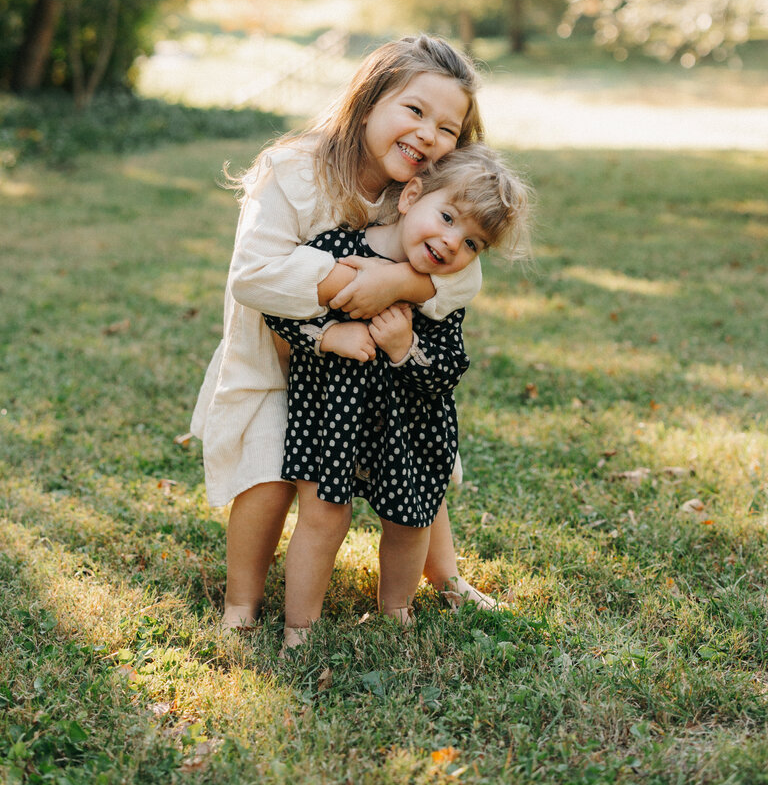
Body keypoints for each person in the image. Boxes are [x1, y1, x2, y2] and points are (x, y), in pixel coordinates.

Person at [190, 35, 498, 630]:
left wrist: (398, 284)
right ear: (367, 102)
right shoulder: (294, 172)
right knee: (268, 475)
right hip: (279, 361)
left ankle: (448, 576)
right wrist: (342, 279)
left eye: (448, 128)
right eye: (414, 110)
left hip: (368, 376)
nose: (428, 135)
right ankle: (239, 606)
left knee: (413, 467)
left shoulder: (426, 193)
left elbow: (465, 277)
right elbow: (253, 275)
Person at [263, 144, 529, 648]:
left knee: (409, 519)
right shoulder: (335, 247)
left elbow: (447, 372)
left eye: (472, 243)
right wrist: (328, 336)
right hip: (333, 418)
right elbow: (282, 310)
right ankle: (299, 627)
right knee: (323, 516)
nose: (452, 243)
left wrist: (405, 348)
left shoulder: (440, 287)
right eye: (447, 217)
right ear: (411, 195)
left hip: (410, 426)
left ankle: (397, 612)